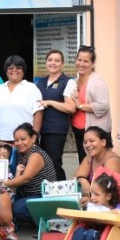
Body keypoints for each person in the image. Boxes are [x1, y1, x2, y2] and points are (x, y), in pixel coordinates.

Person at [0, 55, 44, 143]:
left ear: (23, 71)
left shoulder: (31, 88)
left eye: (18, 68)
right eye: (10, 68)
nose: (14, 70)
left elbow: (38, 112)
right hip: (0, 138)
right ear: (6, 71)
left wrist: (35, 134)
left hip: (24, 140)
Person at [4, 123, 57, 226]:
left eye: (23, 139)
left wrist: (3, 183)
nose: (19, 143)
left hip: (43, 196)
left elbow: (25, 178)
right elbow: (9, 147)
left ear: (33, 138)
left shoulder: (35, 154)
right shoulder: (20, 152)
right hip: (26, 194)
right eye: (16, 140)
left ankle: (47, 220)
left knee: (17, 208)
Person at [37, 50, 78, 180]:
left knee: (54, 164)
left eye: (57, 60)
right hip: (39, 129)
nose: (53, 63)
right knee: (41, 165)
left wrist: (51, 102)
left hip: (55, 130)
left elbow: (71, 107)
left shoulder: (68, 82)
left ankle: (62, 194)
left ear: (63, 64)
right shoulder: (40, 82)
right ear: (46, 62)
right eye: (50, 60)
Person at [71, 46, 112, 163]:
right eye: (79, 60)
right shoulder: (74, 81)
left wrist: (80, 105)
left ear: (93, 64)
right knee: (84, 164)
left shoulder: (97, 82)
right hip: (79, 131)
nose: (81, 64)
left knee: (97, 166)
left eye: (86, 61)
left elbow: (104, 106)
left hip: (95, 133)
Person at [73, 126, 120, 207]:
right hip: (98, 203)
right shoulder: (90, 158)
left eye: (91, 141)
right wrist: (83, 180)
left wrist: (91, 201)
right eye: (85, 142)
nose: (87, 145)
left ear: (103, 142)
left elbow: (109, 192)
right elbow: (75, 177)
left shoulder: (112, 161)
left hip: (118, 205)